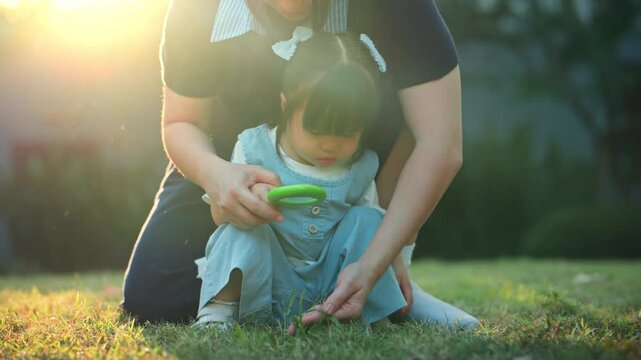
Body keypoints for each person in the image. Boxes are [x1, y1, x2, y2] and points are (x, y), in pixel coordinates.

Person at [122, 0, 479, 329]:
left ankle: (382, 291)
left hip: (350, 171)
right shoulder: (197, 8)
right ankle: (267, 294)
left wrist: (379, 255)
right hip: (224, 161)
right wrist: (216, 175)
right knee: (155, 297)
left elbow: (437, 141)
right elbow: (182, 123)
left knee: (367, 235)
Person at [194, 30, 407, 328]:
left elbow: (369, 233)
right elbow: (220, 215)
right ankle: (219, 311)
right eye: (317, 130)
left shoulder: (361, 165)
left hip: (335, 287)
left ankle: (369, 312)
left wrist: (393, 261)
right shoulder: (254, 149)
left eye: (347, 133)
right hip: (268, 281)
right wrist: (248, 203)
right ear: (286, 103)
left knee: (370, 220)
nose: (330, 145)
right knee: (240, 227)